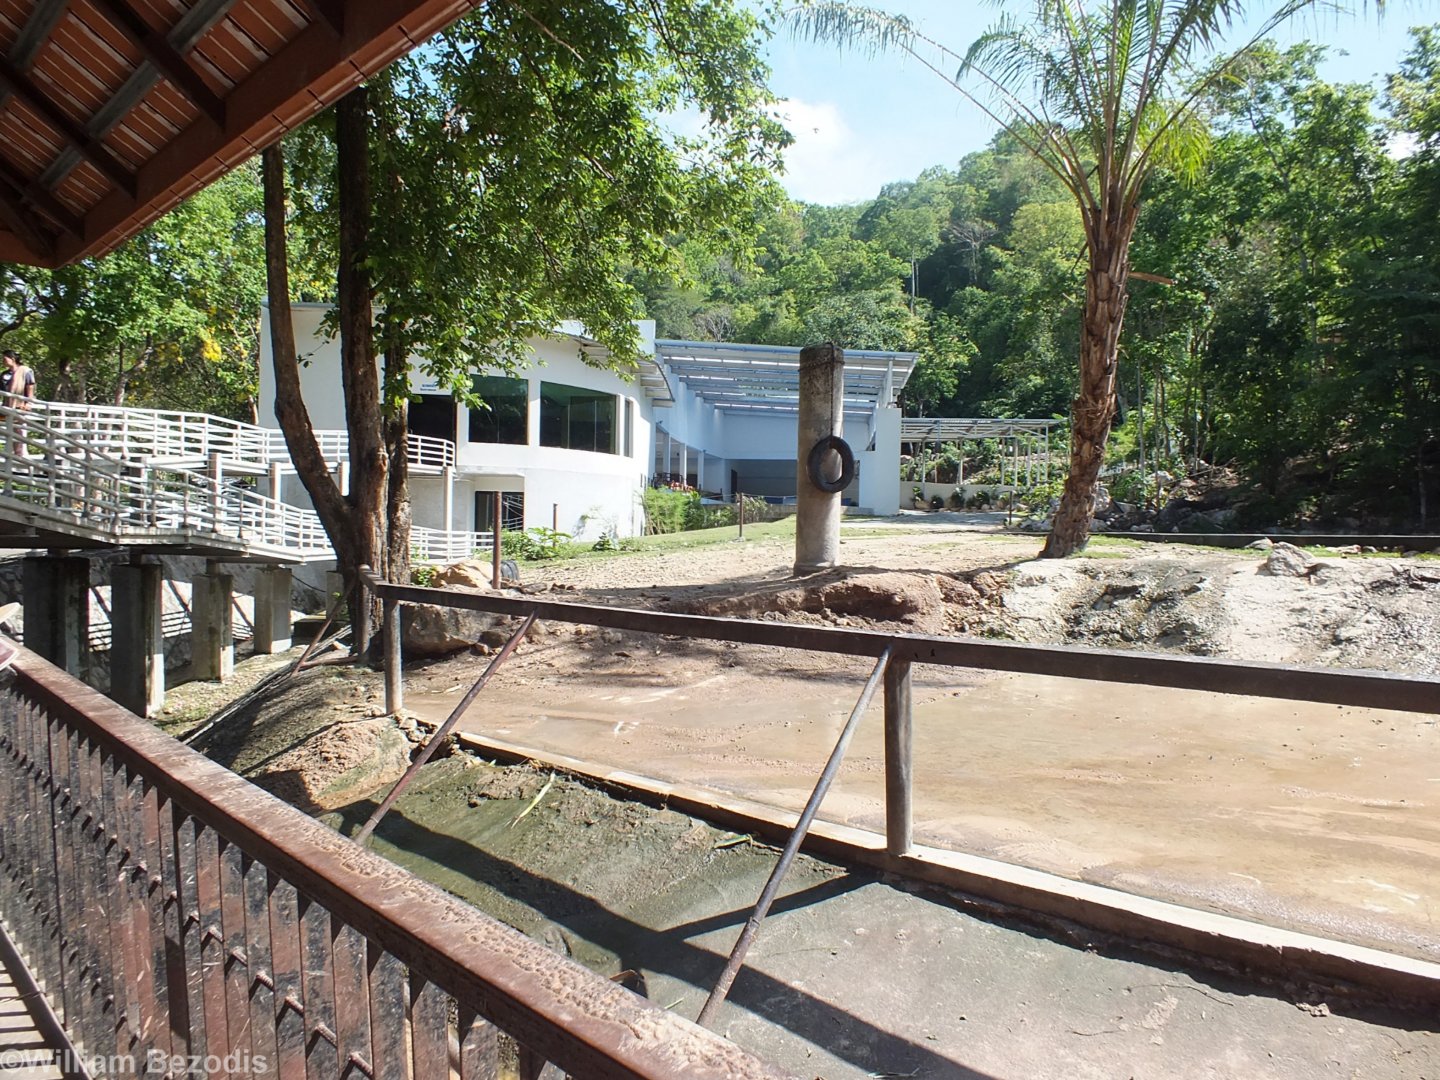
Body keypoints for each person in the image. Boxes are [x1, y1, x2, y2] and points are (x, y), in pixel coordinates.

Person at [2, 349, 36, 456]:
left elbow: (30, 386)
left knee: (19, 430)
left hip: (19, 406)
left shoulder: (25, 371)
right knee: (9, 430)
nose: (3, 361)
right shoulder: (4, 374)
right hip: (6, 406)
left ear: (12, 359)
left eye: (4, 358)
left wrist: (29, 402)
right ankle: (11, 453)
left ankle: (20, 455)